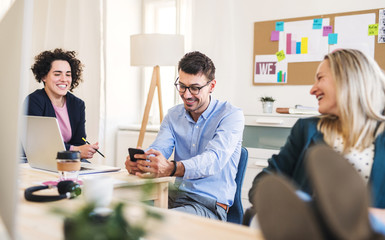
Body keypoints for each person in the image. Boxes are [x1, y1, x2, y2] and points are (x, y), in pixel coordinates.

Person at [248, 49, 385, 237]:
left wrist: (360, 216)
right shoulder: (307, 129)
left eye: (320, 78)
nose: (312, 89)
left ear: (347, 77)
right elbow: (262, 184)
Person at [125, 51, 245, 221]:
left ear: (212, 86)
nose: (187, 94)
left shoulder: (231, 116)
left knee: (154, 224)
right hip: (173, 197)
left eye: (195, 88)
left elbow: (214, 160)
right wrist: (143, 162)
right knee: (125, 215)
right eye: (182, 86)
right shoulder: (174, 115)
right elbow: (160, 149)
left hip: (209, 205)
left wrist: (173, 168)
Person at [25, 48, 99, 159]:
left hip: (68, 161)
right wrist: (74, 150)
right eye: (57, 74)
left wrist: (82, 150)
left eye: (68, 75)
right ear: (44, 76)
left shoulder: (78, 105)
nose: (64, 79)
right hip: (40, 160)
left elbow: (79, 142)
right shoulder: (34, 101)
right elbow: (40, 143)